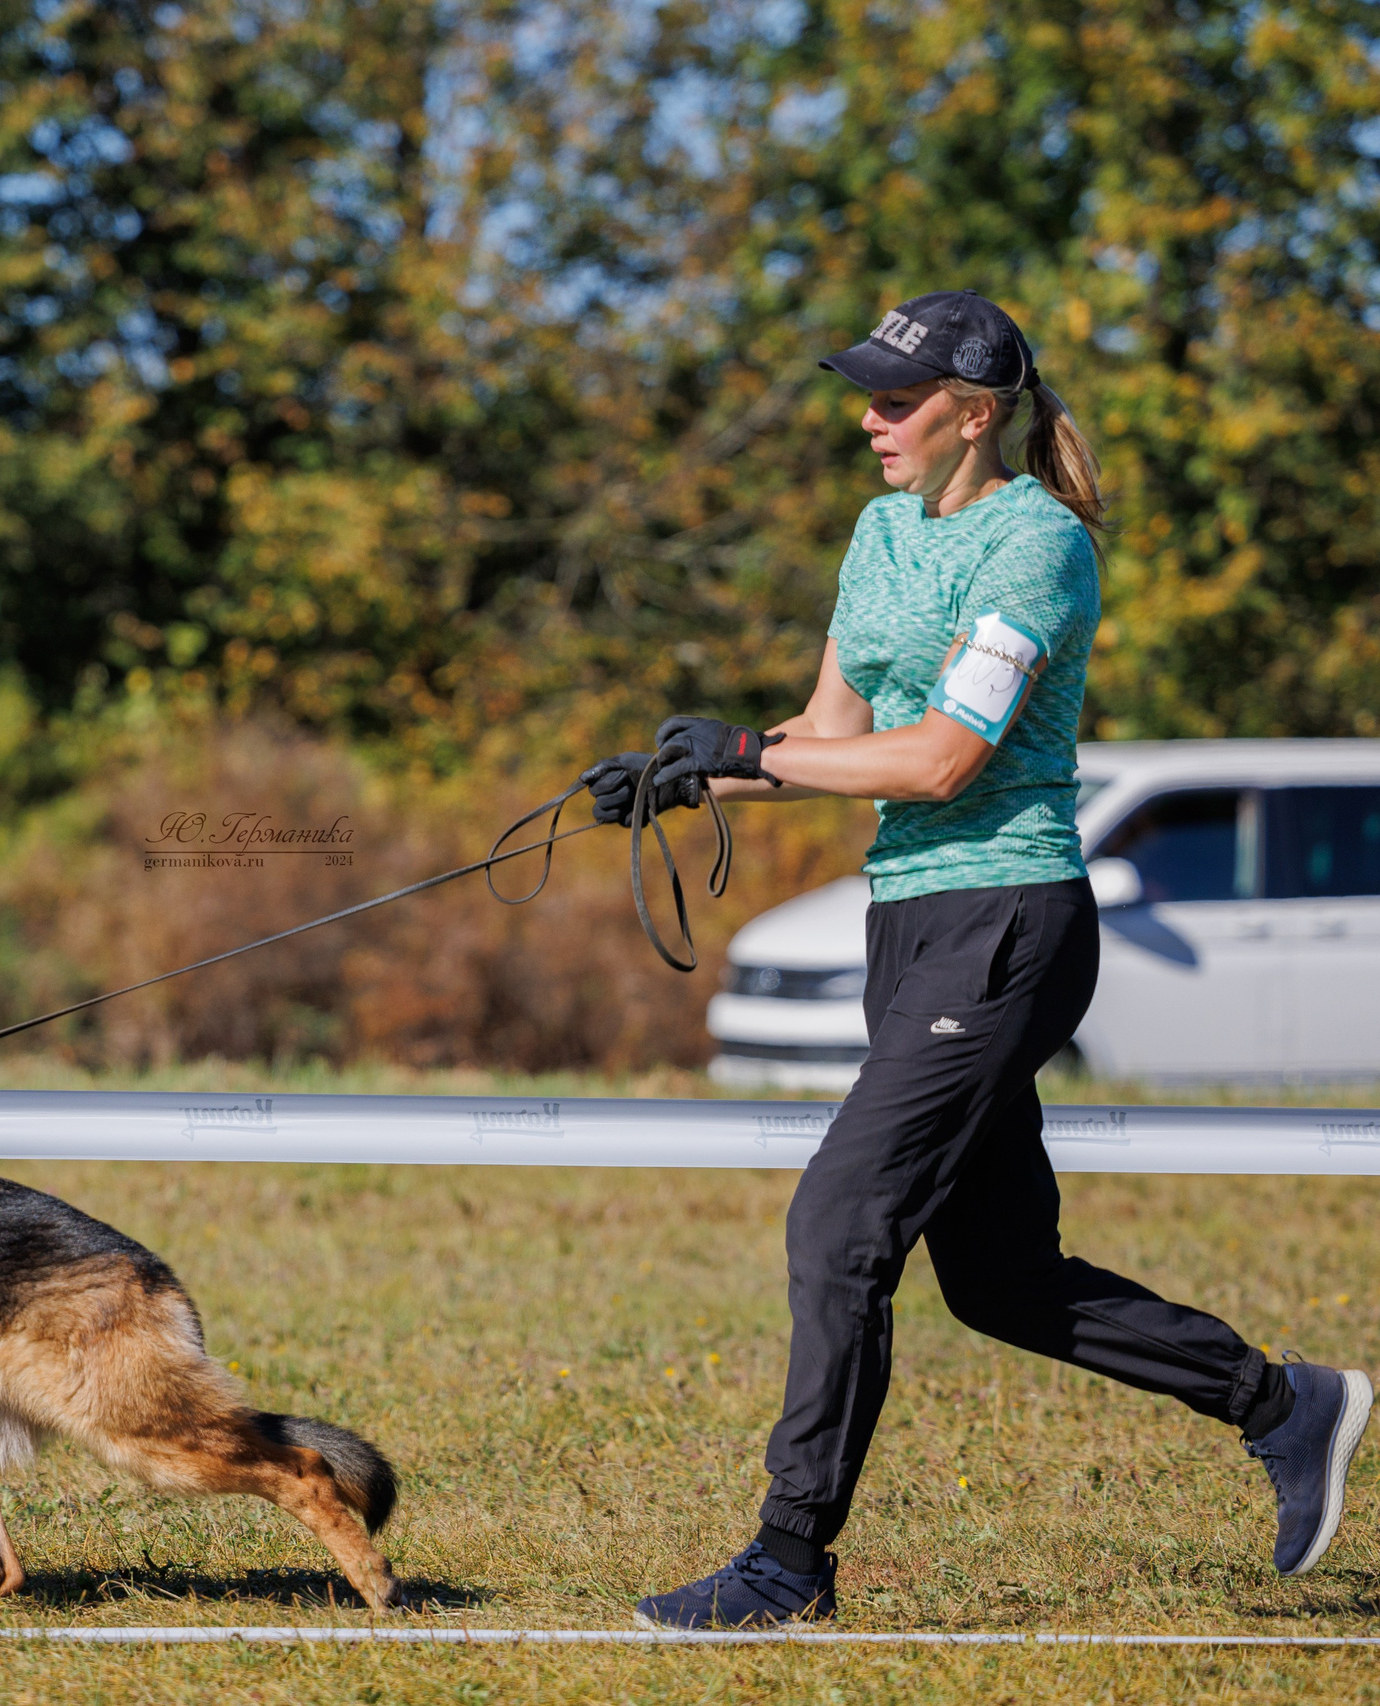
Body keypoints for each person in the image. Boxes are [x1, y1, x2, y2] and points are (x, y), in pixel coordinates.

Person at [583, 290, 1372, 1630]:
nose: (869, 418)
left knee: (839, 1222)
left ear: (976, 412)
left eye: (896, 398)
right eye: (869, 394)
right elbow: (835, 727)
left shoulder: (1038, 547)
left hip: (1010, 923)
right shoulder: (882, 530)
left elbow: (946, 755)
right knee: (1001, 1281)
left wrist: (747, 754)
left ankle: (786, 1559)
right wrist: (688, 778)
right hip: (910, 923)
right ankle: (1285, 1402)